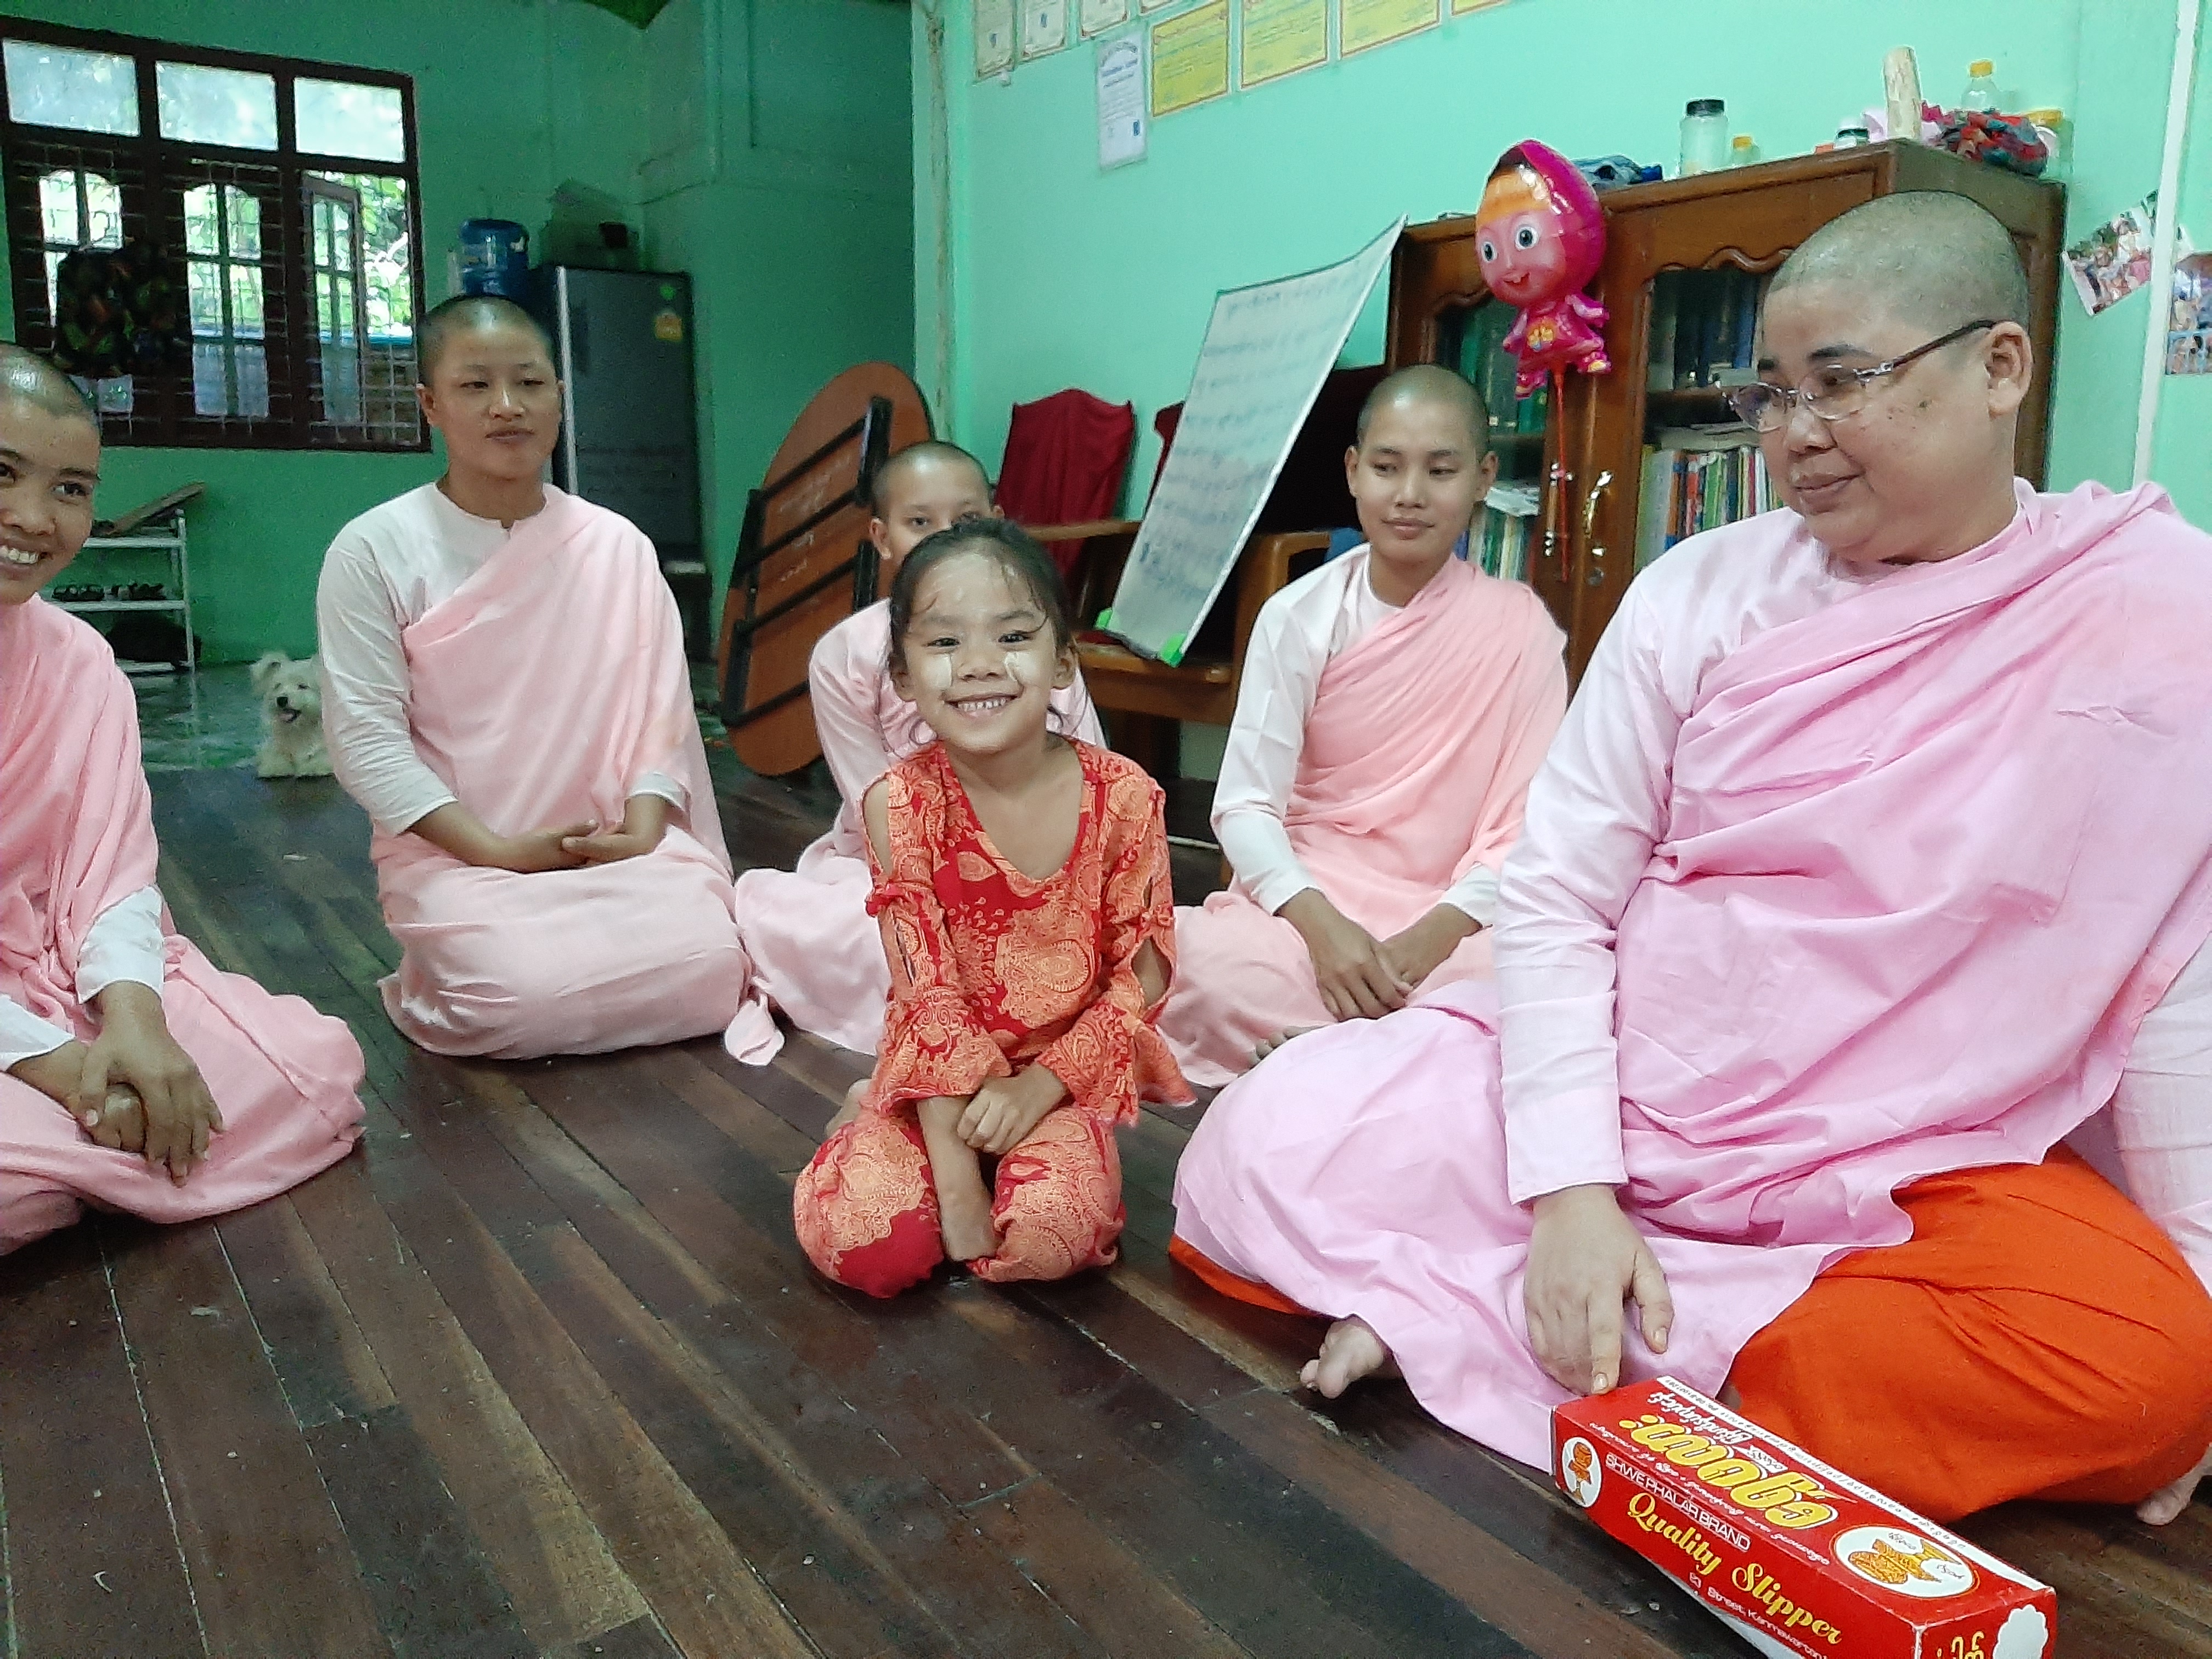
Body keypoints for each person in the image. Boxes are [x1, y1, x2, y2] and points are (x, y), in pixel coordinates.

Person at [1170, 193, 2212, 1527]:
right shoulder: (1700, 593)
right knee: (1258, 1143)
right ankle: (1627, 1342)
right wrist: (1573, 1191)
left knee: (2151, 1368)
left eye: (1841, 382)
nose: (1796, 434)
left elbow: (2175, 976)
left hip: (1911, 1162)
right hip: (1640, 1094)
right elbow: (1557, 896)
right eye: (1770, 393)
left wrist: (2195, 1291)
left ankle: (1486, 1320)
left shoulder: (2154, 613)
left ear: (2000, 367)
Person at [318, 295, 771, 1060]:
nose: (507, 406)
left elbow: (661, 716)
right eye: (475, 386)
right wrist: (496, 851)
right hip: (462, 855)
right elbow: (367, 743)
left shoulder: (617, 546)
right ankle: (451, 972)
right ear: (430, 404)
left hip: (612, 846)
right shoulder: (372, 551)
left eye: (529, 383)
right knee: (516, 999)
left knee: (713, 971)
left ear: (560, 396)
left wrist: (643, 828)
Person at [0, 347, 364, 1251]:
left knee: (310, 1072)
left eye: (71, 489)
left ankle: (83, 1158)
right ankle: (88, 1152)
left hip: (56, 971)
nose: (35, 518)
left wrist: (134, 1022)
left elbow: (113, 877)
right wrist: (68, 1067)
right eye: (3, 474)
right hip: (29, 1028)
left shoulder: (81, 662)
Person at [792, 519, 1188, 1296]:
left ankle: (1029, 1156)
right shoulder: (898, 804)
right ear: (903, 677)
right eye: (944, 643)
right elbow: (928, 997)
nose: (978, 665)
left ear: (1063, 659)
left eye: (1012, 637)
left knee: (1048, 1243)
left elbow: (1142, 977)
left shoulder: (1127, 796)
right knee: (866, 1248)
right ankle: (873, 1112)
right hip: (934, 1083)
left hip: (1055, 1082)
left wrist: (1039, 1088)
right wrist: (957, 1189)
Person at [1157, 365, 1567, 1087]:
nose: (1410, 494)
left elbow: (1526, 829)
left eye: (1440, 470)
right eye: (1386, 467)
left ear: (1483, 478)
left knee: (1537, 984)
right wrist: (1324, 934)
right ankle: (1400, 1056)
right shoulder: (1298, 618)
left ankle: (1314, 1056)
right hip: (1316, 901)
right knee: (1193, 962)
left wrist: (1433, 936)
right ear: (1353, 471)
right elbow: (1247, 806)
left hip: (1453, 916)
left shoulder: (1521, 629)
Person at [735, 441, 1103, 1056]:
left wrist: (1039, 878)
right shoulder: (846, 653)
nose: (946, 540)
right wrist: (963, 891)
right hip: (900, 862)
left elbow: (1090, 775)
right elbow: (874, 802)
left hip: (1042, 852)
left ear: (998, 521)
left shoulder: (1036, 633)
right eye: (920, 522)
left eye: (967, 520)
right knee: (877, 943)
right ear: (882, 538)